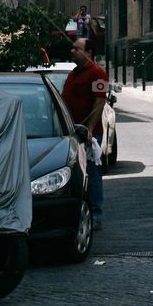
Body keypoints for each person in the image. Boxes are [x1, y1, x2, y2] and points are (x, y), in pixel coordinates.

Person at [61, 38, 109, 229]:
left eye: (77, 48)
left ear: (89, 53)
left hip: (89, 134)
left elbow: (100, 102)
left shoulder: (98, 73)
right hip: (71, 132)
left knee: (92, 172)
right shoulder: (73, 74)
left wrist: (89, 128)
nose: (72, 51)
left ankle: (96, 214)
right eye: (72, 48)